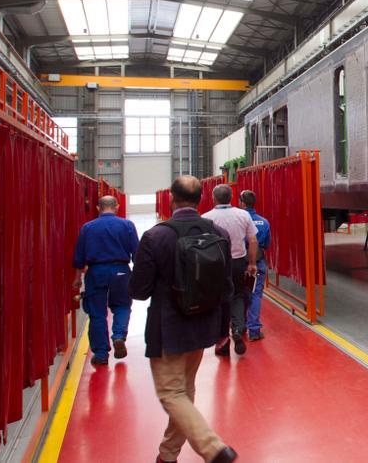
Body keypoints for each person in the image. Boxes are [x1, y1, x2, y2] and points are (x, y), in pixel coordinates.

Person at [129, 175, 238, 463]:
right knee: (184, 393)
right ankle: (167, 455)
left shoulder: (156, 236)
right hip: (203, 326)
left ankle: (213, 447)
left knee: (171, 394)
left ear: (170, 200)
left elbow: (138, 291)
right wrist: (222, 330)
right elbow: (226, 288)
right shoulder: (218, 233)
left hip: (169, 329)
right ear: (201, 199)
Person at [72, 195, 139, 366]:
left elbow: (79, 257)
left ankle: (101, 354)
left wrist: (77, 279)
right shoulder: (127, 225)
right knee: (123, 306)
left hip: (96, 271)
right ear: (117, 207)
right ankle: (118, 336)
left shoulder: (87, 227)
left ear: (97, 208)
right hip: (121, 271)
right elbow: (137, 253)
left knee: (97, 313)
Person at [202, 184, 258, 355]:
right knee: (238, 296)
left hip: (215, 264)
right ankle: (238, 329)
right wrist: (252, 263)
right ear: (232, 197)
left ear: (214, 198)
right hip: (238, 262)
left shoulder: (206, 218)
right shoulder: (242, 215)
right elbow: (253, 241)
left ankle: (223, 341)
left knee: (218, 300)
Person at [239, 190, 270, 341]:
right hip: (258, 262)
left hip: (240, 262)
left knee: (239, 294)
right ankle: (254, 331)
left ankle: (240, 326)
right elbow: (267, 244)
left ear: (242, 203)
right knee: (255, 294)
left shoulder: (239, 220)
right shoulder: (264, 222)